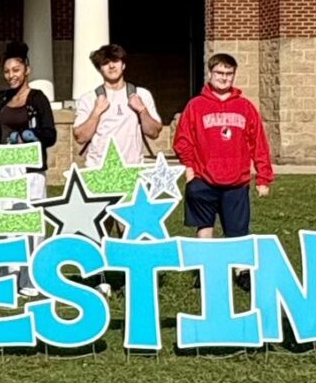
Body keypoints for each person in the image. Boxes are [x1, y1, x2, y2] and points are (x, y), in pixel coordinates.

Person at [175, 53, 273, 251]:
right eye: (219, 72)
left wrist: (264, 177)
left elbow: (258, 144)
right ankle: (205, 262)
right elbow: (183, 140)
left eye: (229, 74)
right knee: (204, 228)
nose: (224, 77)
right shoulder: (196, 106)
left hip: (237, 182)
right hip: (203, 178)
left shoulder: (245, 107)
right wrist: (189, 168)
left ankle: (238, 266)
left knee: (238, 235)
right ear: (210, 73)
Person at [0, 42, 56, 295]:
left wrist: (27, 136)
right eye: (7, 71)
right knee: (8, 222)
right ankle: (9, 274)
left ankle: (29, 278)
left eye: (16, 70)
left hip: (30, 169)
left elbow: (50, 134)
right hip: (5, 168)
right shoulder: (3, 98)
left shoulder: (37, 98)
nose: (11, 75)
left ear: (27, 70)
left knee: (30, 222)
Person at [73, 45, 162, 168]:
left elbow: (154, 132)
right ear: (99, 69)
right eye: (105, 63)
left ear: (123, 65)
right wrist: (96, 112)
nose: (111, 66)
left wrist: (142, 109)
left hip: (133, 169)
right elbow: (80, 137)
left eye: (115, 61)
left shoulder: (141, 94)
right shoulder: (88, 99)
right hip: (99, 170)